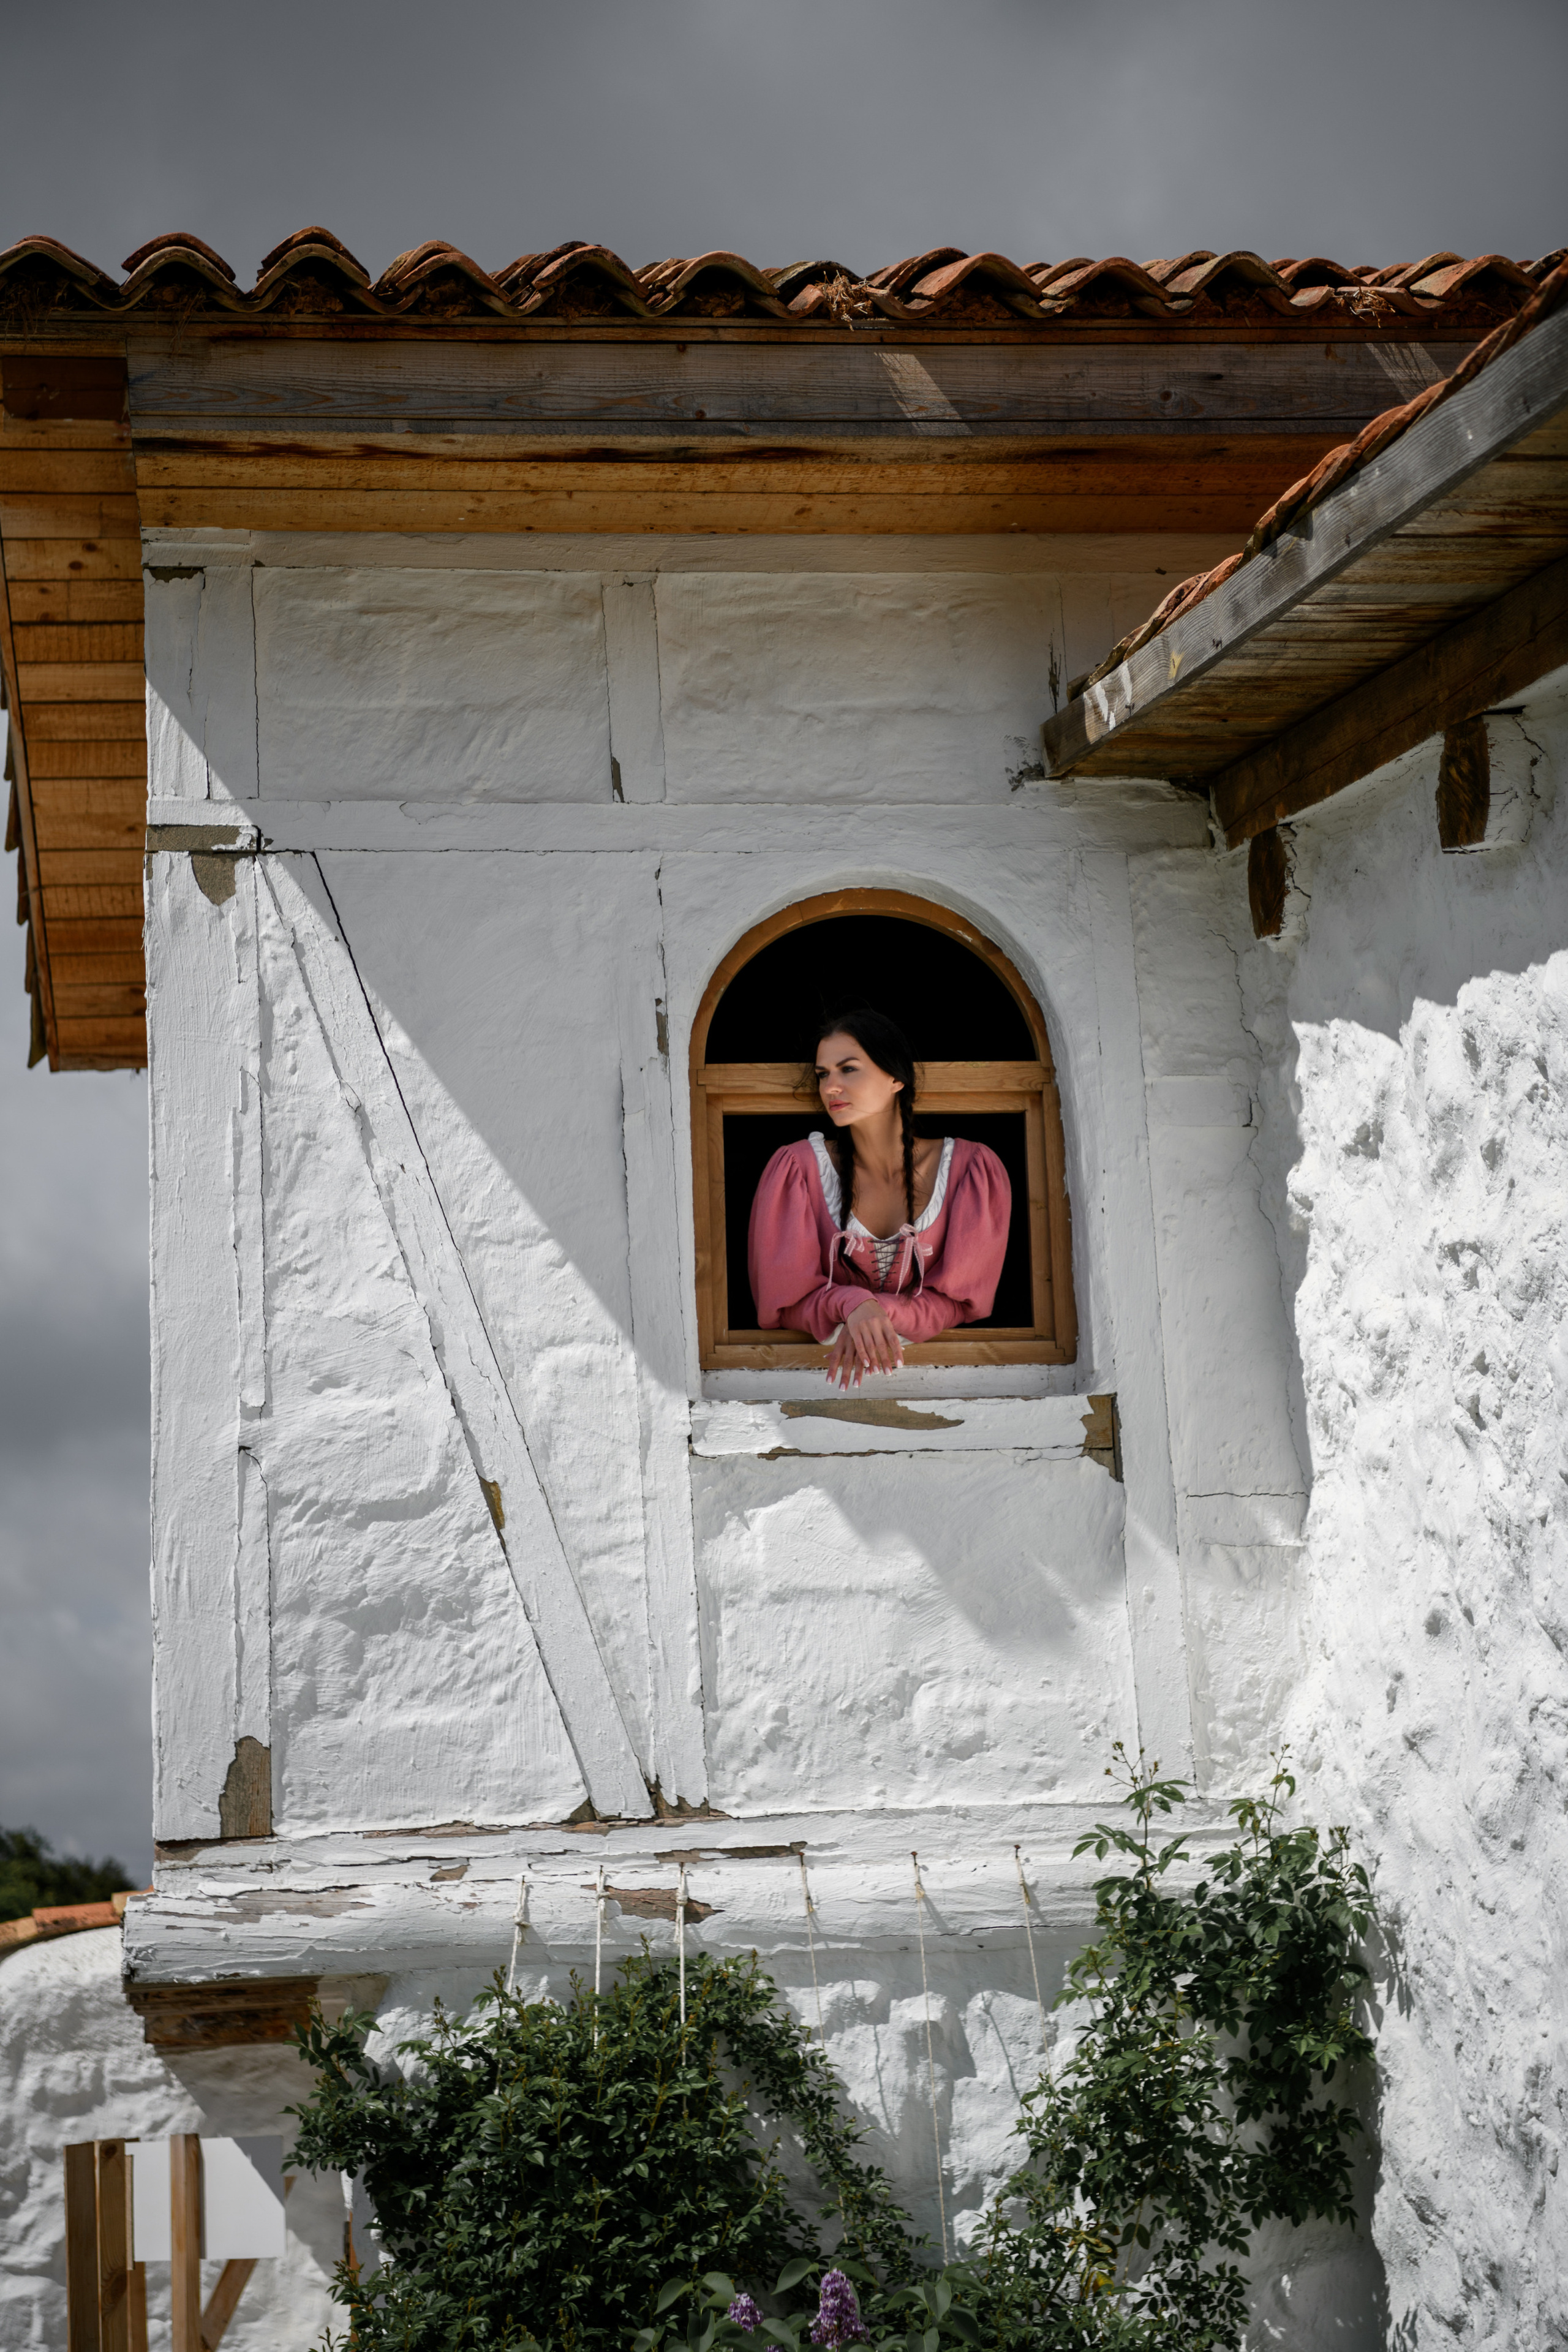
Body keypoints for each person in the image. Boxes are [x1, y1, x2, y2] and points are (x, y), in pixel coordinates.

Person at [747, 1006, 1011, 1390]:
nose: (830, 1087)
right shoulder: (797, 1169)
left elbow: (962, 1303)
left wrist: (875, 1311)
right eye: (823, 1075)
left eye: (848, 1069)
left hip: (943, 1386)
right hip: (814, 1386)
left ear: (895, 1077)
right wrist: (852, 1304)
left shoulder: (970, 1169)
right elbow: (785, 1303)